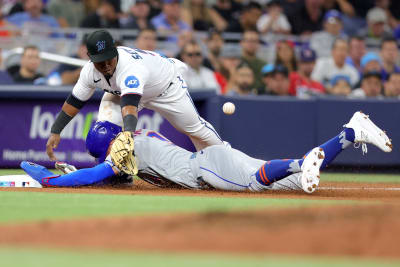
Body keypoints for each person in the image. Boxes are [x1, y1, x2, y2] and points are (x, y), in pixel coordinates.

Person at [22, 111, 393, 194]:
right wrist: (69, 172)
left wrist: (57, 180)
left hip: (208, 168)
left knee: (255, 180)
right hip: (212, 163)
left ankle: (301, 161)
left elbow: (98, 174)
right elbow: (112, 178)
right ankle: (349, 133)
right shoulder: (130, 142)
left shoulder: (124, 146)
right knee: (297, 186)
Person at [45, 29, 224, 162]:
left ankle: (225, 157)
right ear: (90, 58)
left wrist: (128, 133)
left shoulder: (130, 69)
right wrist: (56, 130)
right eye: (101, 61)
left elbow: (129, 105)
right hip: (123, 93)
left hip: (166, 88)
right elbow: (75, 101)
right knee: (103, 133)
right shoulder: (89, 72)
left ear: (115, 50)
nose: (107, 64)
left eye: (110, 57)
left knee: (193, 128)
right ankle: (119, 176)